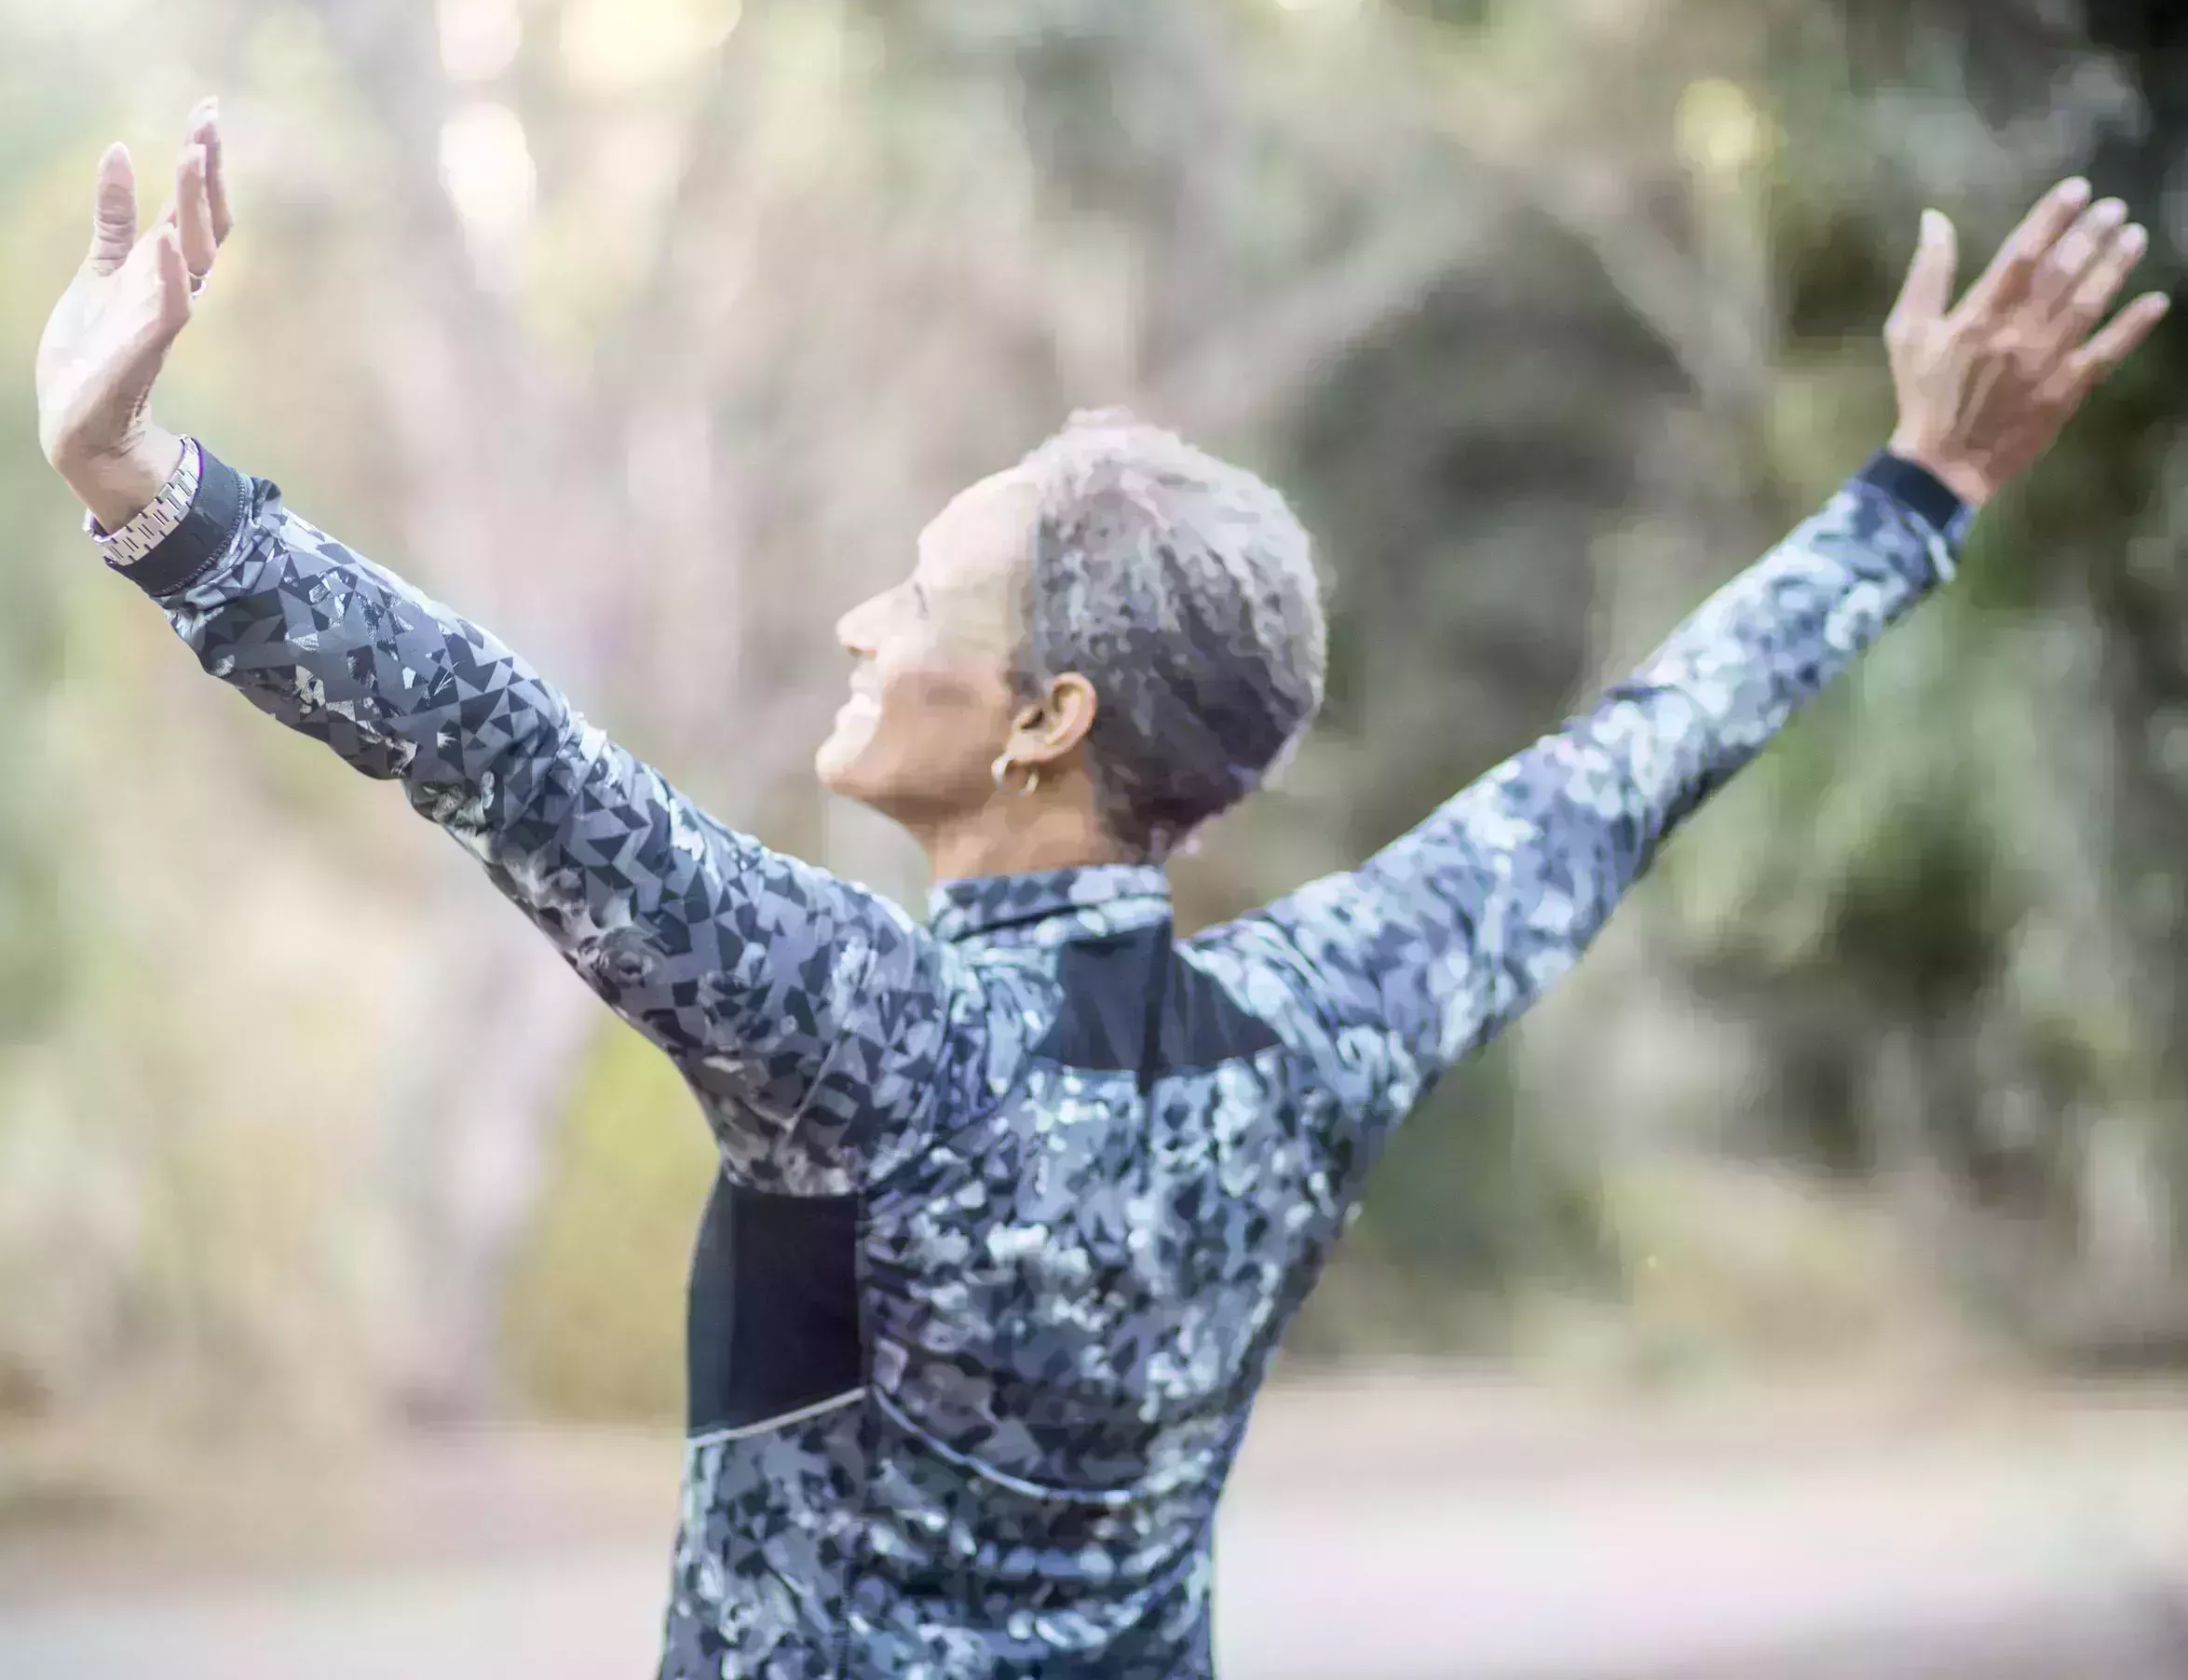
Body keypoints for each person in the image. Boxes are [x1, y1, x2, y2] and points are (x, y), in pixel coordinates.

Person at [35, 103, 2167, 1680]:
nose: (865, 619)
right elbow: (1623, 776)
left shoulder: (863, 1037)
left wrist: (145, 487)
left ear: (1045, 714)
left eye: (921, 594)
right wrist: (1915, 491)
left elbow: (508, 751)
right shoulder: (1323, 1025)